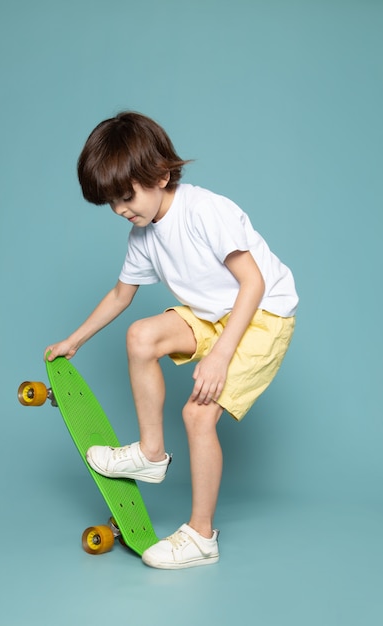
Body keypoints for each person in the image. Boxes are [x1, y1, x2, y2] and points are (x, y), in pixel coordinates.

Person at [45, 111, 298, 570]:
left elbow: (254, 284)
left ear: (160, 175)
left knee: (198, 414)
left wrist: (221, 356)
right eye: (111, 203)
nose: (121, 209)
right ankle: (150, 454)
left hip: (262, 315)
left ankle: (202, 536)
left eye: (126, 196)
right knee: (141, 335)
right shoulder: (142, 234)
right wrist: (74, 340)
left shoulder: (205, 210)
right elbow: (123, 294)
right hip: (213, 314)